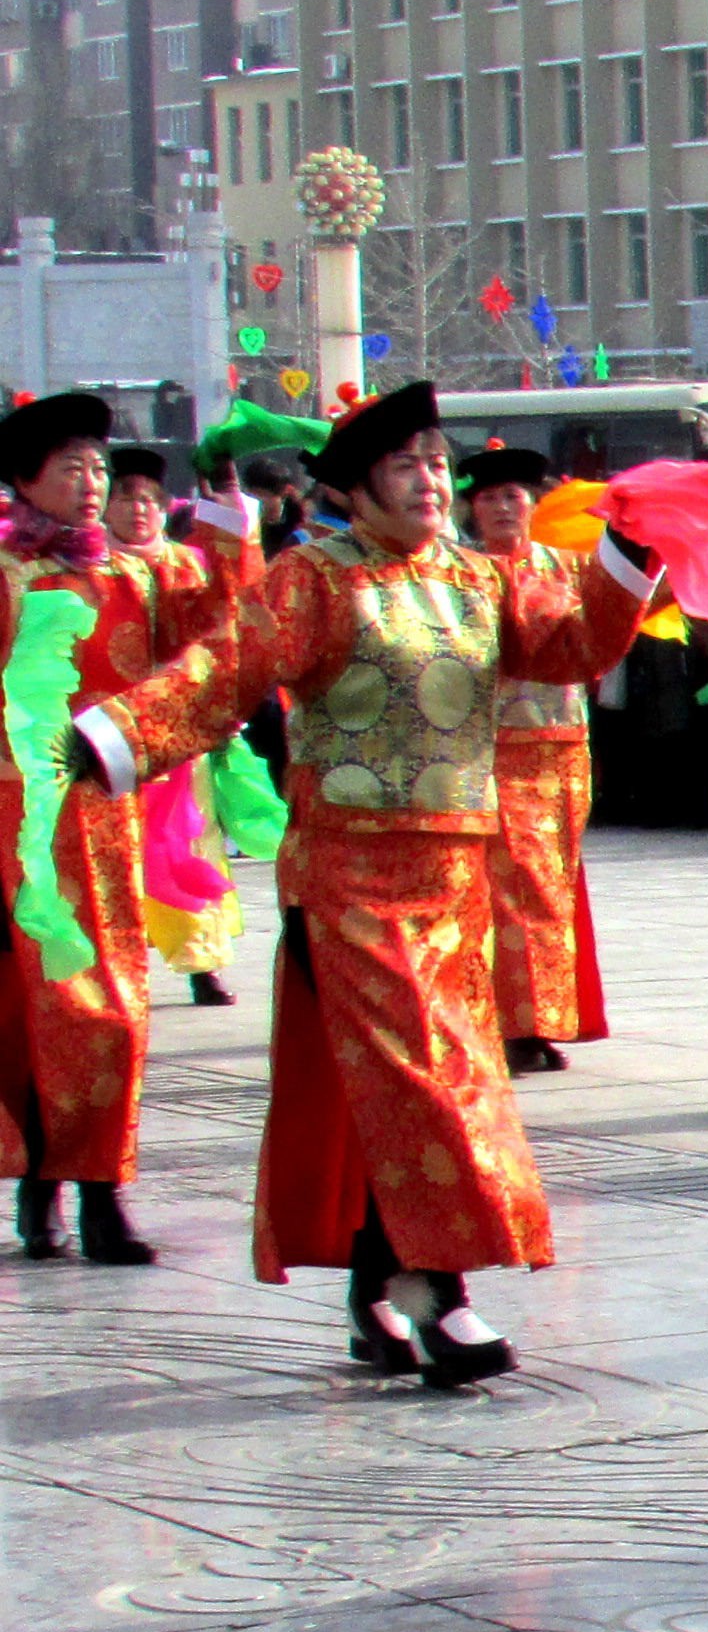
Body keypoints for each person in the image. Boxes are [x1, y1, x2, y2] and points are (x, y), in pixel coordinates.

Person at [83, 382, 659, 1375]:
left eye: (437, 463)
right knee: (428, 1084)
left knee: (400, 1093)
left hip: (456, 879)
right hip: (349, 880)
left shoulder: (479, 578)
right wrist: (116, 737)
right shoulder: (314, 579)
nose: (431, 481)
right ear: (354, 490)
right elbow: (225, 669)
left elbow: (571, 645)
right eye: (405, 466)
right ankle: (440, 1294)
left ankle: (374, 1290)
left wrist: (631, 552)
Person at [0, 390, 238, 1262]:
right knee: (34, 1017)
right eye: (73, 466)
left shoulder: (136, 577)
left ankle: (100, 1187)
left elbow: (224, 630)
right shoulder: (7, 577)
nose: (93, 482)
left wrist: (222, 512)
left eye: (99, 466)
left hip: (107, 820)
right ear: (26, 481)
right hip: (18, 827)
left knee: (113, 1010)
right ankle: (45, 1180)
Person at [448, 444, 612, 1076]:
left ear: (533, 503)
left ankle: (547, 1018)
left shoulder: (568, 565)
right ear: (472, 509)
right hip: (493, 751)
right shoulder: (461, 574)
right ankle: (516, 1024)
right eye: (488, 498)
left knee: (554, 887)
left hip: (564, 749)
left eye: (512, 496)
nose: (501, 507)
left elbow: (615, 620)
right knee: (508, 890)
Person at [112, 444, 253, 1012]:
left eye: (148, 499)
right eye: (126, 498)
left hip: (177, 733)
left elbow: (224, 626)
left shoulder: (187, 563)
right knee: (116, 852)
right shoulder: (85, 569)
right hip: (107, 734)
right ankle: (119, 964)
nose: (138, 509)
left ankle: (203, 964)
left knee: (190, 843)